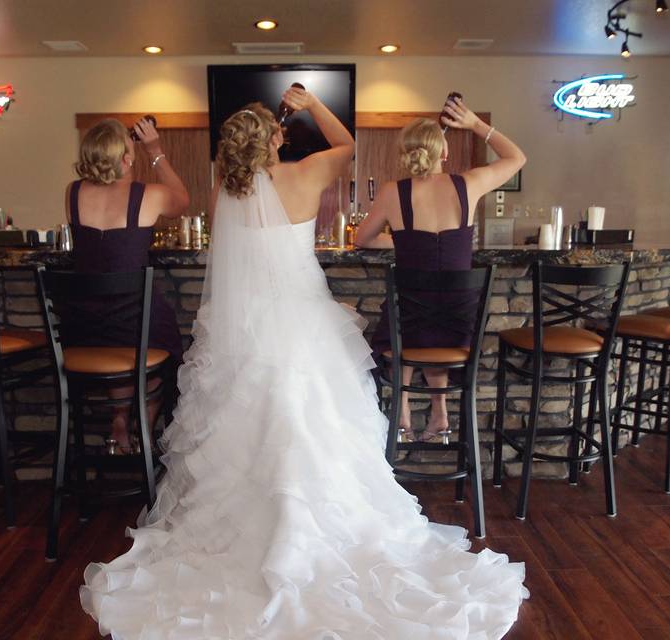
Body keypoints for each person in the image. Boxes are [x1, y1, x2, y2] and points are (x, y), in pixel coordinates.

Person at [80, 88, 527, 639]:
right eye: (280, 132)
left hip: (245, 333)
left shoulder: (225, 191)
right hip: (303, 322)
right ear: (274, 140)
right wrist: (314, 104)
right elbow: (348, 143)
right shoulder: (311, 172)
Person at [356, 96, 527, 442]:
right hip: (457, 324)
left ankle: (402, 416)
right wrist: (477, 124)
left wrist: (403, 240)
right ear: (444, 153)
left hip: (409, 326)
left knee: (405, 317)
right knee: (434, 312)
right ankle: (440, 415)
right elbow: (517, 158)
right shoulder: (468, 185)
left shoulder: (393, 192)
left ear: (406, 153)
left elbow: (363, 238)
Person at [67, 118, 189, 453]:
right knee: (160, 346)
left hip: (87, 326)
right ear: (126, 158)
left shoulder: (73, 192)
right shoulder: (149, 195)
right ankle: (145, 430)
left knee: (121, 342)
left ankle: (119, 419)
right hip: (136, 321)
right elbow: (181, 202)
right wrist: (156, 152)